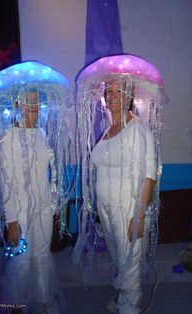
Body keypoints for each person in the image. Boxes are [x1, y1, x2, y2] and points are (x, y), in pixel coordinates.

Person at [72, 54, 167, 314]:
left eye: (119, 90)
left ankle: (130, 307)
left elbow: (149, 175)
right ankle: (123, 298)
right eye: (109, 91)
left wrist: (139, 214)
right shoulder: (107, 131)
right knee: (118, 258)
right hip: (108, 208)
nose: (113, 96)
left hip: (129, 208)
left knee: (130, 261)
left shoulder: (138, 130)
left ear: (130, 96)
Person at [0, 61, 71, 314]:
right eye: (27, 102)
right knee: (20, 261)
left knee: (42, 257)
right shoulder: (7, 140)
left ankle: (44, 301)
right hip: (19, 212)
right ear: (17, 105)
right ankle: (16, 306)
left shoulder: (41, 133)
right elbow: (6, 185)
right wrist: (11, 222)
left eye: (36, 102)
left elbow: (45, 173)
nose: (33, 108)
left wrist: (53, 204)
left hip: (43, 208)